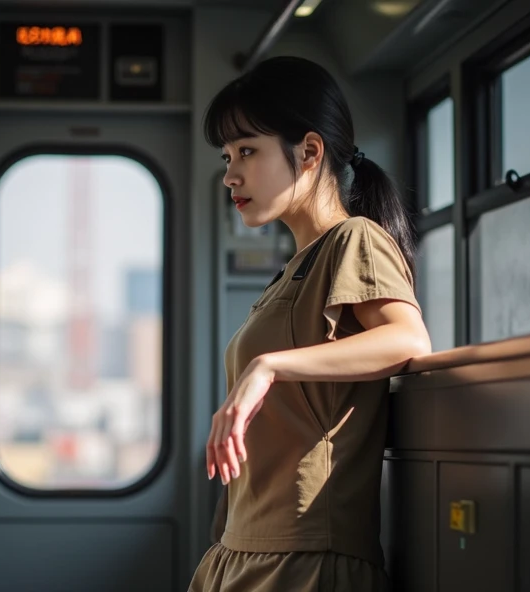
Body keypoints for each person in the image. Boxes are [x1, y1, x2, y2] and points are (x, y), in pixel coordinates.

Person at [190, 56, 432, 591]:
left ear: (309, 151)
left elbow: (407, 338)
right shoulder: (295, 268)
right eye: (227, 156)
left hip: (304, 555)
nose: (230, 173)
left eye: (247, 151)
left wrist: (268, 366)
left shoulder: (356, 239)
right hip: (244, 547)